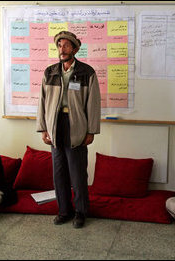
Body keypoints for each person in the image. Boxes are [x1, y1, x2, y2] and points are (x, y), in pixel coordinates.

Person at [36, 31, 101, 229]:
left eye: (66, 46)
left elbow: (94, 103)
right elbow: (42, 101)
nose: (62, 50)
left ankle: (81, 212)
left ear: (74, 49)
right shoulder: (50, 72)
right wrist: (43, 128)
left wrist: (91, 131)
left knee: (78, 174)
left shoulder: (86, 72)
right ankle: (64, 210)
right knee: (59, 173)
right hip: (55, 126)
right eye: (59, 46)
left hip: (77, 127)